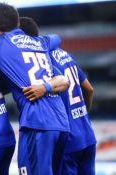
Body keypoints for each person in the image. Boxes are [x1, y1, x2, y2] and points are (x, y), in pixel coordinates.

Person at [0, 3, 71, 175]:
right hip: (61, 123)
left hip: (37, 123)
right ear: (17, 24)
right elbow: (57, 38)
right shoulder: (42, 43)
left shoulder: (0, 45)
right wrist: (46, 86)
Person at [19, 16, 97, 175]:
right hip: (88, 135)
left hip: (69, 140)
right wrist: (82, 115)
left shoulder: (41, 60)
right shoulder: (65, 54)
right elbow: (89, 89)